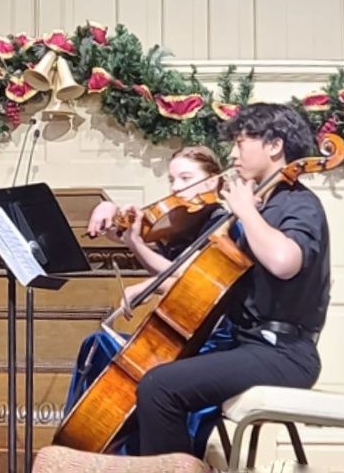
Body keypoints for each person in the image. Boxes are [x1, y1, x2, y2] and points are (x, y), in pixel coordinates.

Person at [129, 103, 330, 457]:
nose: (232, 154)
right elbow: (197, 277)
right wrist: (135, 247)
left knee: (160, 388)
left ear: (274, 146)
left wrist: (247, 212)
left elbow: (285, 262)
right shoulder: (262, 205)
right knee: (154, 376)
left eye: (240, 143)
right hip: (250, 345)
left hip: (283, 352)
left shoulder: (299, 204)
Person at [65, 147, 230, 457]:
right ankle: (92, 448)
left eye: (186, 178)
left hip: (208, 340)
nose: (177, 187)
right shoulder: (185, 222)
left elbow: (188, 277)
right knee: (95, 345)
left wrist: (140, 260)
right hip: (184, 334)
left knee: (102, 346)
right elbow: (139, 237)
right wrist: (111, 212)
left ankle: (106, 451)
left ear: (212, 182)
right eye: (172, 180)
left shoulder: (221, 222)